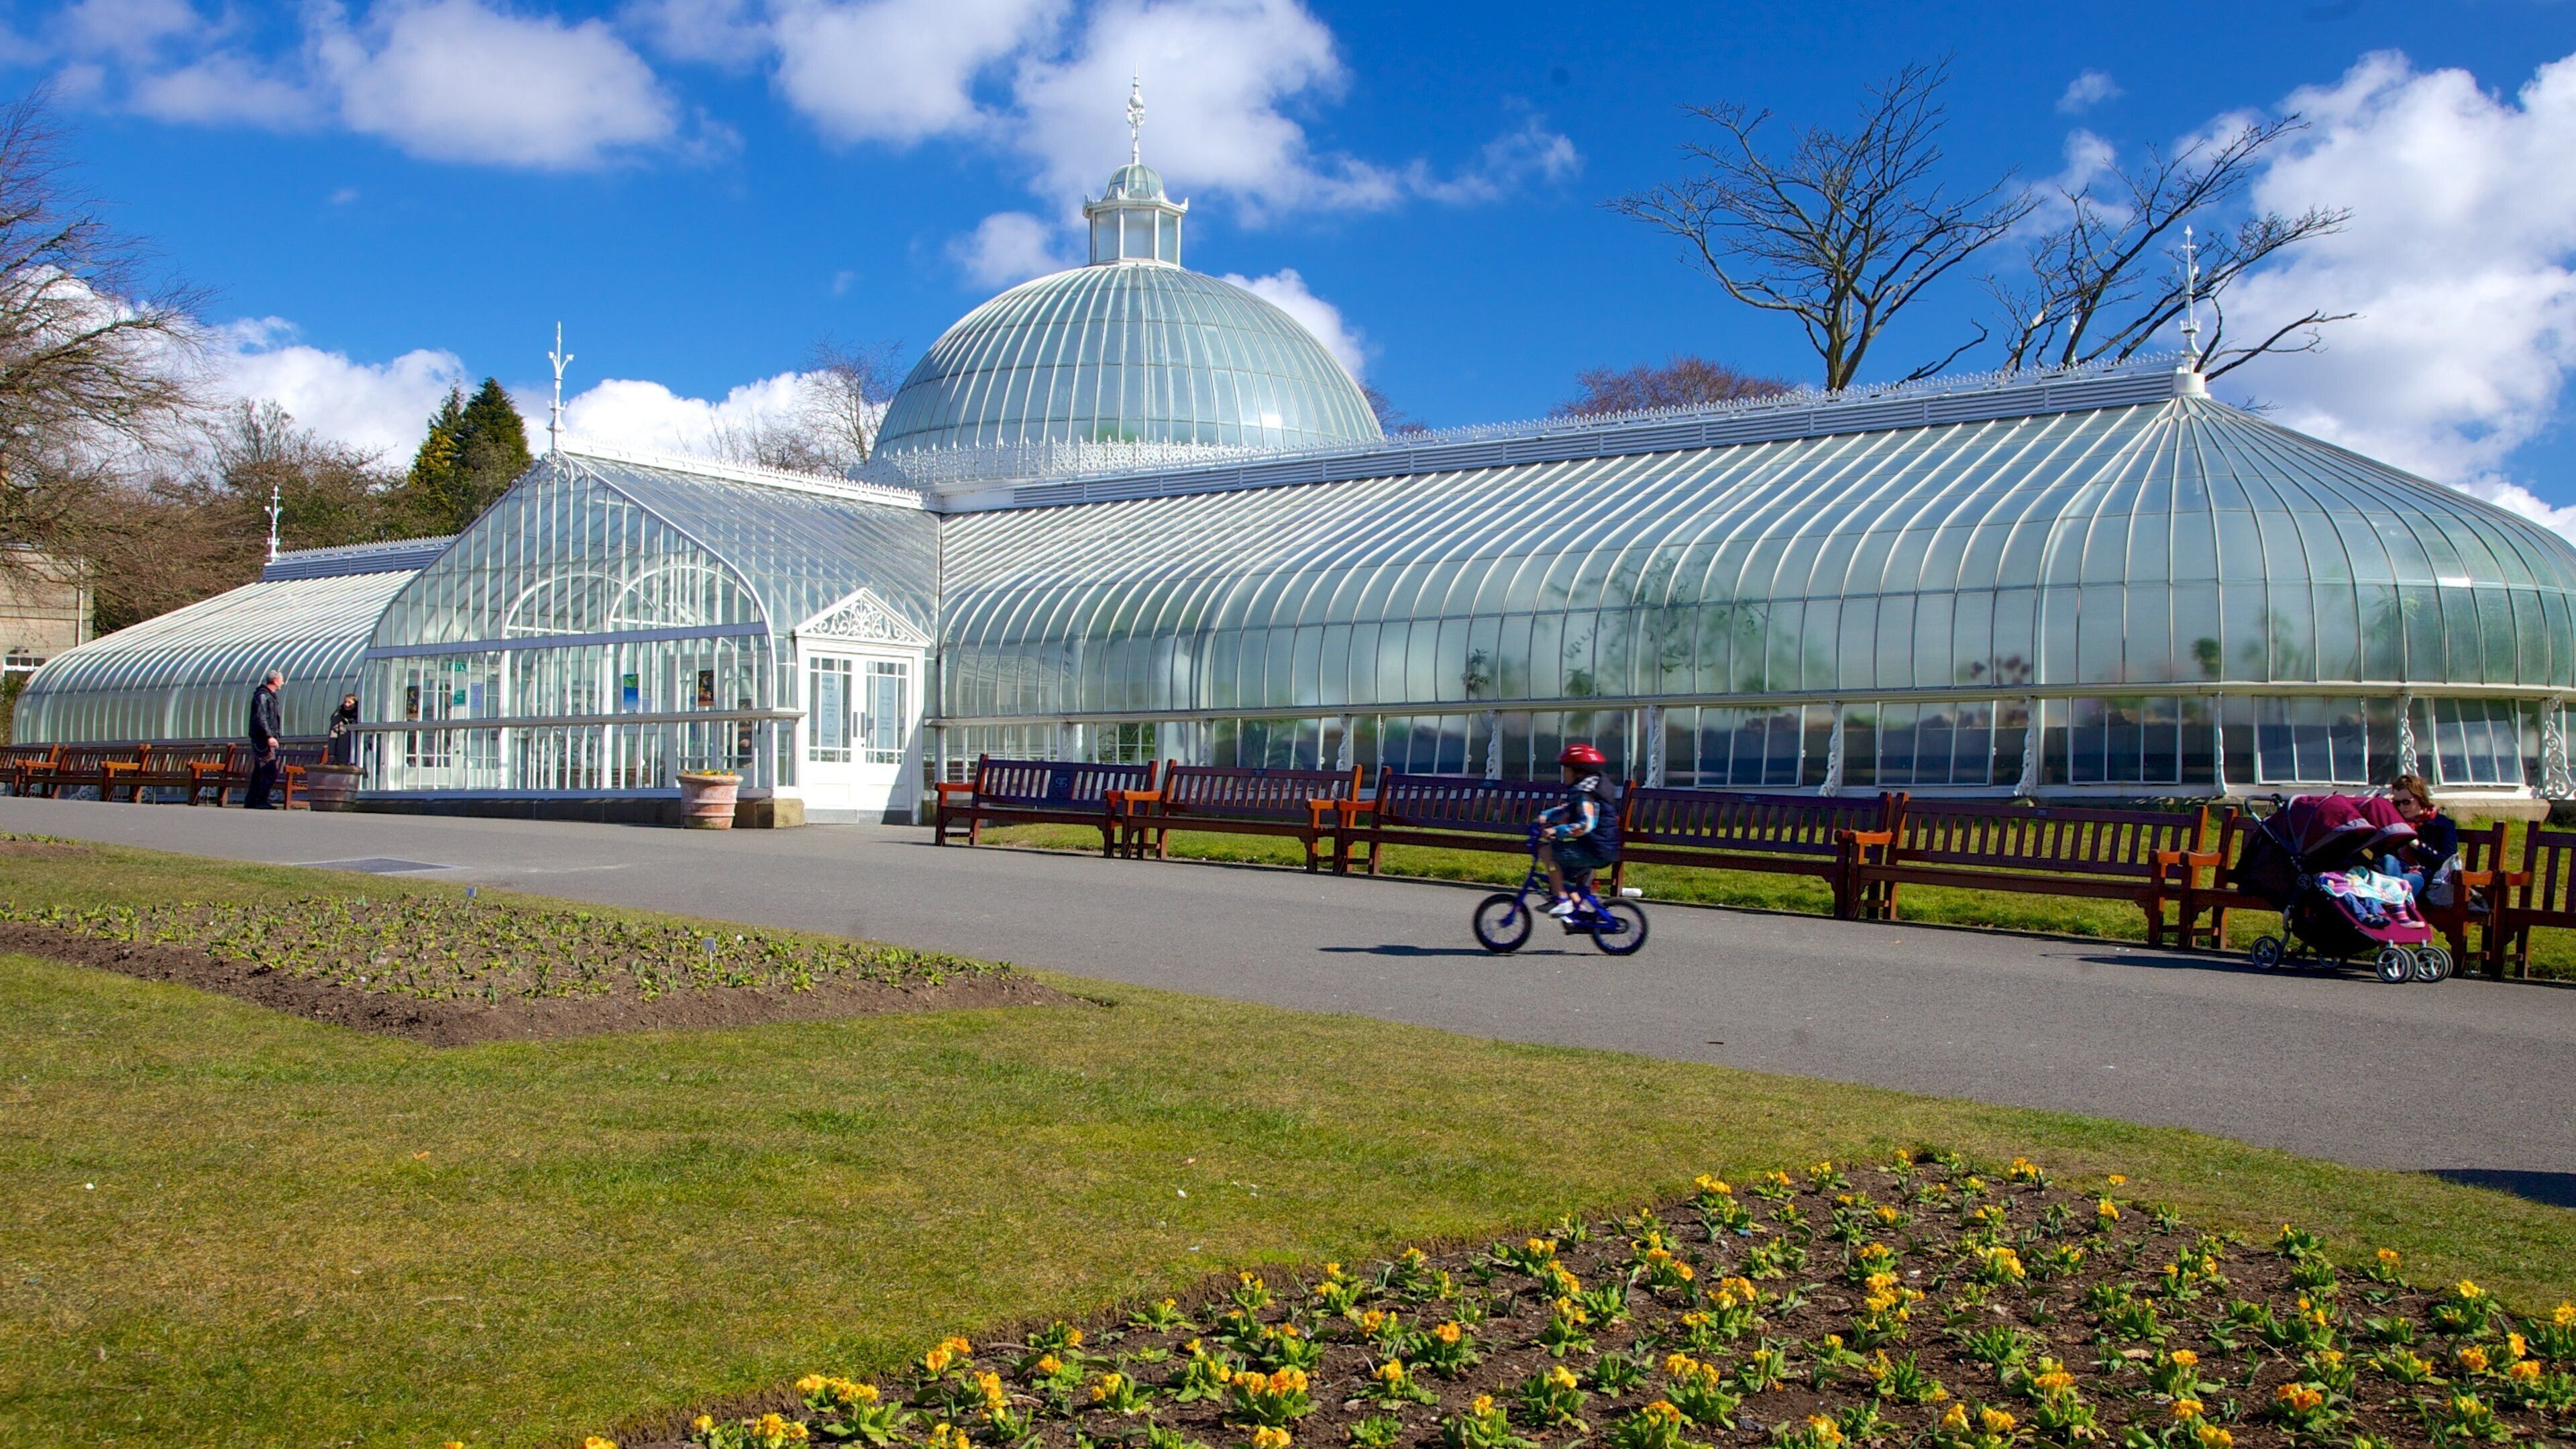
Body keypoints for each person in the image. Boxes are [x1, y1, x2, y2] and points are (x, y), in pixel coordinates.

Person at [1536, 742, 1621, 918]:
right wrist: (1547, 816)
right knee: (1560, 876)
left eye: (1566, 770)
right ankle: (1578, 913)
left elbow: (1585, 825)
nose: (1563, 774)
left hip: (1595, 850)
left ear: (1579, 772)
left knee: (1546, 851)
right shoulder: (1589, 789)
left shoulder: (1585, 794)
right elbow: (1569, 809)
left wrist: (1557, 831)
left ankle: (1562, 901)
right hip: (1600, 848)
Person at [2382, 773, 2458, 902]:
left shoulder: (2442, 824)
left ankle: (2394, 909)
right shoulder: (2396, 824)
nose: (2402, 808)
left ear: (2419, 798)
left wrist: (2417, 845)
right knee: (2387, 860)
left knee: (2388, 885)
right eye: (2397, 803)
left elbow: (2446, 860)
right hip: (2397, 872)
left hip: (2426, 878)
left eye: (2406, 802)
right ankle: (2396, 908)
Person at [246, 669, 284, 808]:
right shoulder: (263, 696)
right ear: (275, 681)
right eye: (281, 680)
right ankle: (260, 801)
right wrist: (269, 736)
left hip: (263, 738)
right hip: (262, 739)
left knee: (259, 771)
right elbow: (261, 718)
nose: (283, 683)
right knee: (269, 770)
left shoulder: (268, 696)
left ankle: (252, 801)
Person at [326, 692, 360, 765]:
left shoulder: (360, 717)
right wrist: (332, 754)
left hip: (357, 752)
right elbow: (333, 736)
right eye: (345, 702)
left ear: (355, 704)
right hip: (342, 752)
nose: (346, 705)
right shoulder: (338, 717)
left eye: (349, 702)